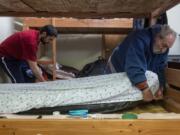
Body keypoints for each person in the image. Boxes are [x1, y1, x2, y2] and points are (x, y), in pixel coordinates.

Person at [105, 24, 176, 102]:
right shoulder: (139, 39)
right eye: (164, 45)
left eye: (167, 47)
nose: (163, 50)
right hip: (118, 66)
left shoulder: (164, 49)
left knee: (134, 90)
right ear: (157, 37)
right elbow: (134, 67)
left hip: (135, 71)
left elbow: (160, 68)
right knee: (113, 95)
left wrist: (160, 87)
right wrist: (145, 89)